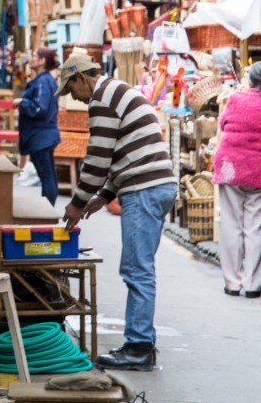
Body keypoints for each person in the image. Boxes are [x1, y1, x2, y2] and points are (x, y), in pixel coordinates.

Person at [60, 53, 177, 371]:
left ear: (81, 77)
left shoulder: (102, 99)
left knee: (137, 270)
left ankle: (139, 347)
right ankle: (141, 342)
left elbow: (97, 159)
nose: (76, 99)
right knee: (140, 268)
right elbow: (124, 151)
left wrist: (78, 202)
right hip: (154, 185)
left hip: (145, 189)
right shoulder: (119, 90)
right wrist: (105, 195)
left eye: (72, 90)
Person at [212, 61, 261, 298]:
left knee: (231, 225)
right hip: (259, 170)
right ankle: (253, 284)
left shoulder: (236, 99)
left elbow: (223, 123)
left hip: (230, 167)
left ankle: (232, 283)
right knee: (254, 227)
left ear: (251, 81)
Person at [17, 47, 61, 201]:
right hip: (44, 136)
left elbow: (39, 109)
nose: (31, 58)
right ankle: (48, 211)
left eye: (35, 56)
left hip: (40, 136)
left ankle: (47, 211)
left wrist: (22, 103)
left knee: (46, 175)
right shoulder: (46, 80)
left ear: (42, 61)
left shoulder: (43, 81)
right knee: (48, 174)